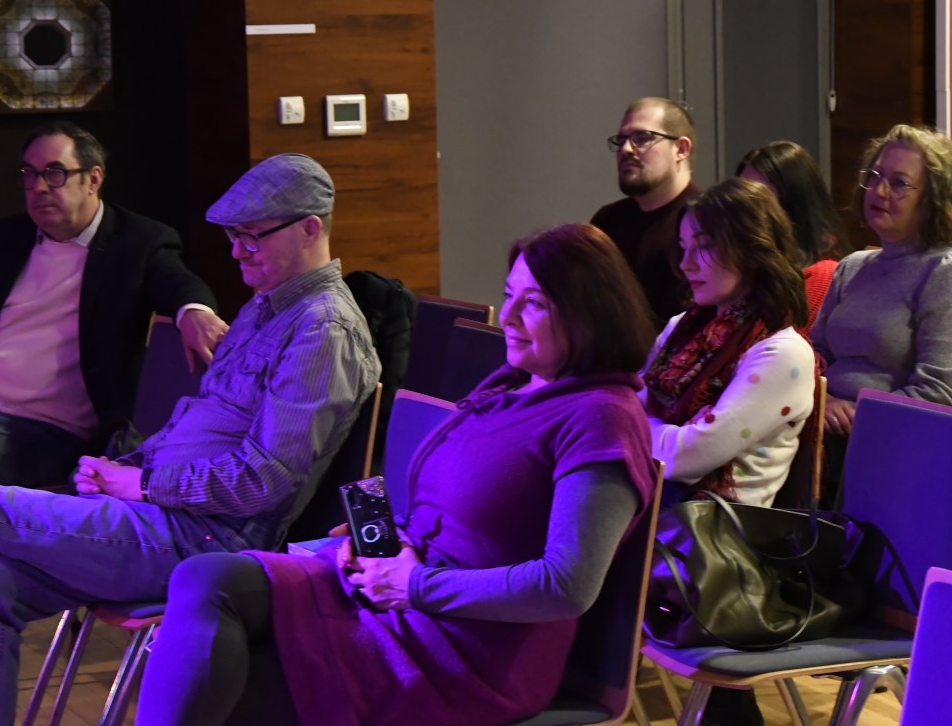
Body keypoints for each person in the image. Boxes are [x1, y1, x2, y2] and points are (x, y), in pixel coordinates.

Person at [0, 153, 381, 726]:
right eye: (233, 237)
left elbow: (264, 479)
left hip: (206, 540)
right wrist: (119, 469)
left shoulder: (323, 329)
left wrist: (143, 484)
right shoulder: (266, 307)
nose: (237, 252)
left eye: (252, 237)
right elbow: (195, 426)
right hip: (159, 517)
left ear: (310, 228)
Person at [134, 224, 658, 726]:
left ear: (591, 314)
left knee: (234, 682)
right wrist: (388, 543)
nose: (511, 316)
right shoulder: (513, 385)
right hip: (399, 593)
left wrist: (414, 584)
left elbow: (565, 587)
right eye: (509, 295)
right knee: (205, 577)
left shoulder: (601, 416)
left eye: (536, 303)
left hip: (465, 648)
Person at [0, 121, 227, 635]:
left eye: (55, 173)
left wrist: (195, 309)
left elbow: (177, 282)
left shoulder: (138, 242)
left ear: (93, 179)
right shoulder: (3, 239)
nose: (39, 187)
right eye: (30, 174)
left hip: (33, 425)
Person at [811, 125, 952, 495]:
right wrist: (821, 400)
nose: (879, 191)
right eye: (875, 176)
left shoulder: (949, 272)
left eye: (899, 183)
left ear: (934, 199)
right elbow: (814, 356)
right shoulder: (853, 266)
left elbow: (938, 393)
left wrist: (858, 416)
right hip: (823, 428)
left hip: (890, 445)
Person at [643, 178, 815, 509]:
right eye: (683, 247)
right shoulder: (681, 327)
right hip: (650, 501)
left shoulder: (783, 353)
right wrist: (662, 430)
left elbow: (685, 458)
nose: (686, 263)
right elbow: (630, 405)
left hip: (711, 527)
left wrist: (636, 427)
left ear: (751, 250)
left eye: (705, 246)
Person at [591, 96, 700, 322]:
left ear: (681, 149)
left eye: (642, 138)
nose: (626, 149)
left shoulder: (706, 222)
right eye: (621, 140)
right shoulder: (607, 222)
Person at [736, 140, 847, 331]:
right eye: (741, 196)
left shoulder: (823, 273)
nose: (744, 210)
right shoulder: (747, 261)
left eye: (759, 199)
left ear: (794, 204)